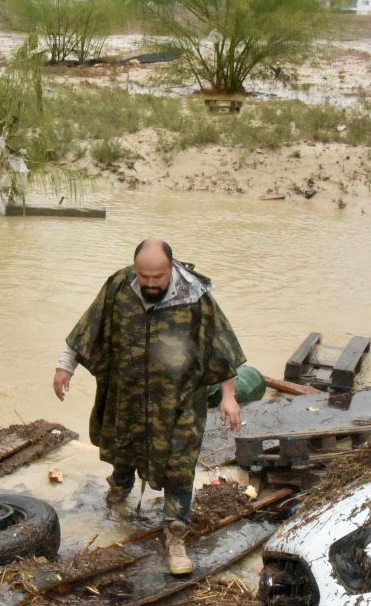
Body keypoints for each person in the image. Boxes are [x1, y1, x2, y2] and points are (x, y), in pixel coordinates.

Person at [54, 239, 246, 575]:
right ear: (135, 269)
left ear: (171, 268)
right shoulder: (119, 286)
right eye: (145, 277)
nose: (151, 284)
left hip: (179, 402)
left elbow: (222, 347)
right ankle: (121, 485)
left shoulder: (195, 298)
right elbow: (88, 328)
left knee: (178, 465)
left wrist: (229, 397)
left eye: (157, 277)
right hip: (128, 394)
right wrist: (64, 367)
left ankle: (175, 534)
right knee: (124, 442)